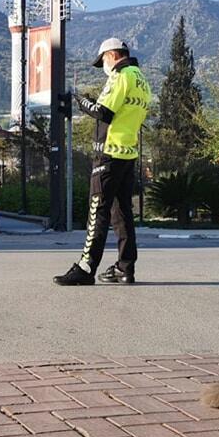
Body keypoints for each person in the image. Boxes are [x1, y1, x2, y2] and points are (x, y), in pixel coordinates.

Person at [54, 38, 151, 286]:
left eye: (103, 60)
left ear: (112, 55)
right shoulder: (141, 79)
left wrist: (81, 101)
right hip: (128, 153)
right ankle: (124, 268)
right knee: (122, 214)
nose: (103, 66)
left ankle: (86, 268)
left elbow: (103, 112)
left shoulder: (121, 76)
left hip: (108, 153)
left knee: (97, 211)